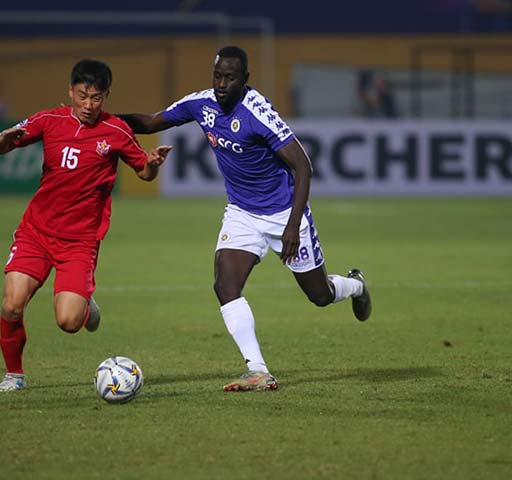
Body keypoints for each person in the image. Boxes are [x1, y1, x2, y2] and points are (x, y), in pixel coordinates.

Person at [120, 46, 371, 392]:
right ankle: (258, 370)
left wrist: (292, 226)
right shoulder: (200, 103)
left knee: (320, 295)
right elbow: (150, 122)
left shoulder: (257, 112)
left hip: (283, 212)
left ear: (245, 79)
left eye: (230, 78)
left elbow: (303, 166)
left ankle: (356, 284)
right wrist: (105, 120)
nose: (222, 84)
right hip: (241, 212)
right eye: (217, 76)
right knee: (225, 286)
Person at [0, 59, 172, 392]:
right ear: (70, 91)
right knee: (12, 304)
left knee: (68, 322)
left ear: (107, 96)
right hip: (36, 231)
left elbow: (143, 173)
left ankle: (84, 307)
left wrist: (153, 164)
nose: (89, 105)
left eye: (97, 97)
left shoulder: (116, 131)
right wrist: (4, 138)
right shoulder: (48, 120)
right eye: (83, 95)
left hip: (80, 241)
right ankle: (14, 376)